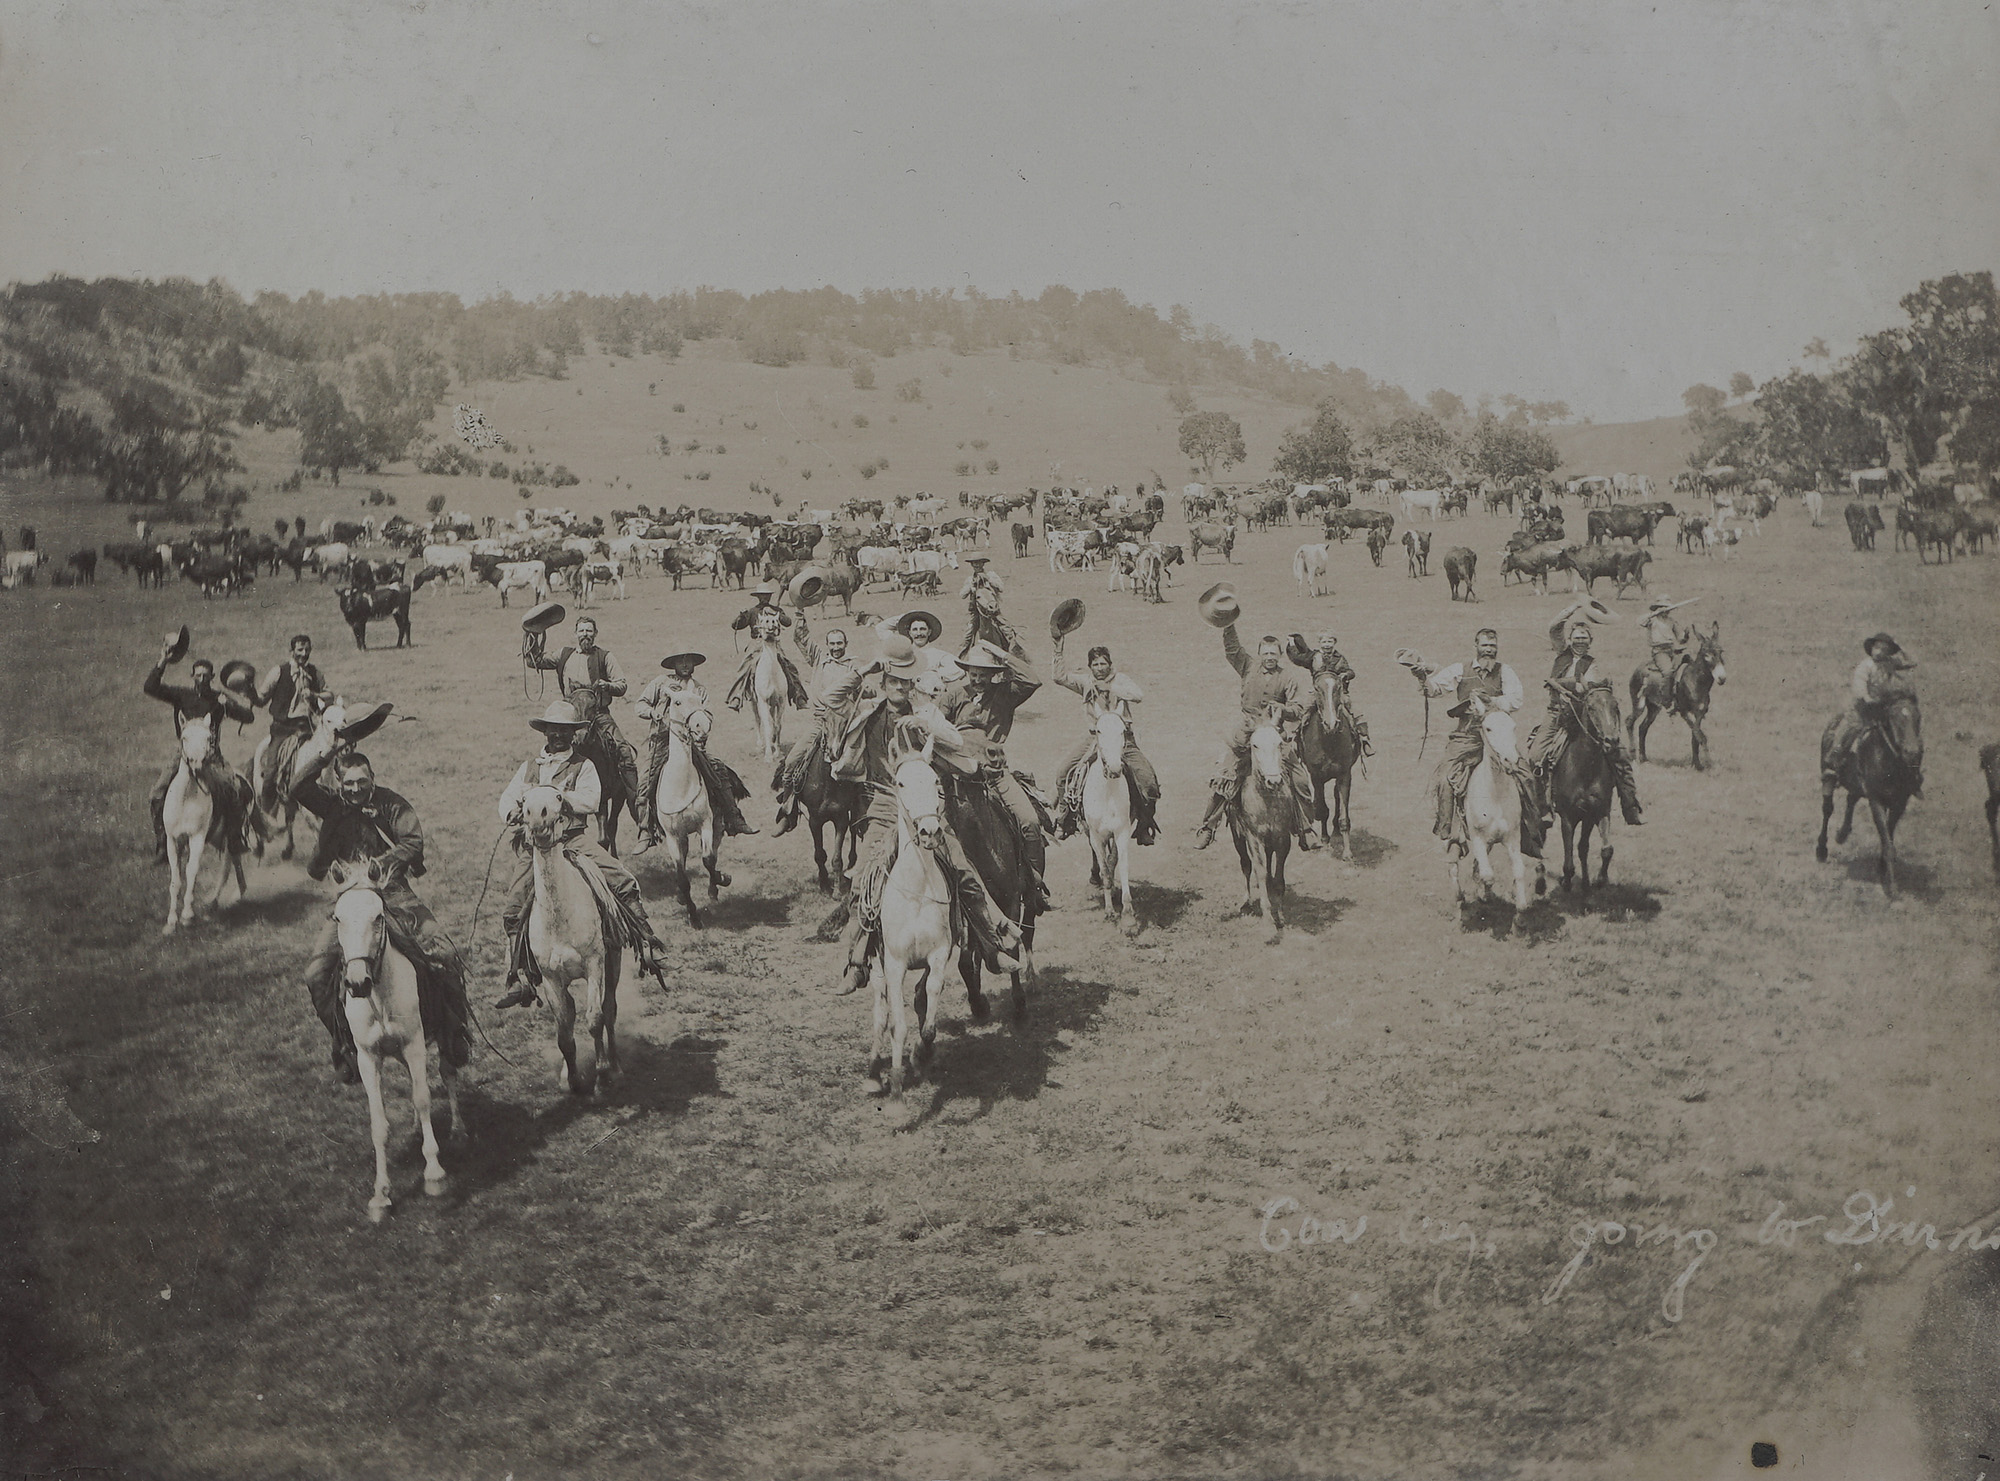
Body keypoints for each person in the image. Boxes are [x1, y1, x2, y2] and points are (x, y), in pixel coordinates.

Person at [830, 633, 1026, 997]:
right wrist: (862, 671)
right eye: (893, 680)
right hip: (886, 808)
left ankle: (991, 948)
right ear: (883, 679)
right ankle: (856, 962)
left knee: (964, 871)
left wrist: (926, 726)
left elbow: (953, 738)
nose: (900, 687)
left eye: (906, 681)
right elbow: (830, 700)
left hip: (925, 808)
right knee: (863, 880)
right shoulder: (867, 706)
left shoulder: (924, 709)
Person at [291, 742, 470, 1086]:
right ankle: (345, 1044)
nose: (356, 789)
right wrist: (327, 752)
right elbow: (298, 787)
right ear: (338, 784)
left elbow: (413, 841)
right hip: (351, 901)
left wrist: (382, 865)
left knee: (445, 953)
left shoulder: (391, 803)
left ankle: (453, 1035)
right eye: (348, 784)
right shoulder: (331, 805)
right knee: (316, 974)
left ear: (373, 778)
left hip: (395, 894)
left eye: (362, 782)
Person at [493, 702, 671, 1010]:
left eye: (565, 731)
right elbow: (508, 796)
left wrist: (556, 797)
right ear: (545, 731)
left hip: (573, 840)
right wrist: (512, 810)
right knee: (513, 905)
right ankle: (521, 975)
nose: (558, 736)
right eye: (553, 730)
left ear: (574, 735)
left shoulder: (583, 765)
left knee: (621, 878)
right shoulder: (529, 766)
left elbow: (592, 800)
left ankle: (647, 941)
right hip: (535, 844)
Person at [1193, 624, 1322, 851]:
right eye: (1266, 653)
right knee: (1224, 775)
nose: (1269, 657)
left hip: (1274, 735)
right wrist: (1229, 623)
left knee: (1300, 779)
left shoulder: (1287, 678)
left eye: (1274, 653)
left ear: (1280, 655)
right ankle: (1208, 826)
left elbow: (1298, 707)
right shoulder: (1247, 666)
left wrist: (1283, 709)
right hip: (1245, 733)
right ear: (1260, 653)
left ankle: (1305, 827)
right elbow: (1232, 649)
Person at [1412, 627, 1540, 856]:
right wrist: (1423, 678)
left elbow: (1516, 699)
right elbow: (1434, 689)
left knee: (1526, 775)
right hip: (1467, 735)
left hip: (1497, 735)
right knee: (1444, 778)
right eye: (1485, 646)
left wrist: (1492, 701)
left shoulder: (1505, 671)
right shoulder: (1460, 670)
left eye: (1493, 646)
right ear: (1476, 646)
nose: (1489, 651)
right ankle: (1451, 832)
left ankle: (1532, 830)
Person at [943, 643, 1051, 909]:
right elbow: (936, 723)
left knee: (1030, 821)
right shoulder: (953, 695)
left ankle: (1034, 883)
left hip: (995, 773)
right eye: (973, 674)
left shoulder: (1005, 693)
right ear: (967, 673)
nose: (978, 680)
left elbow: (1032, 680)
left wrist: (1001, 654)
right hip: (959, 775)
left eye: (983, 673)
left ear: (993, 674)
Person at [1526, 603, 1643, 826]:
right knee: (1535, 756)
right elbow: (1554, 627)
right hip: (1556, 715)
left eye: (1585, 638)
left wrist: (1573, 684)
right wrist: (1572, 609)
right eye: (1577, 637)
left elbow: (1588, 687)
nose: (1580, 641)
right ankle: (1542, 808)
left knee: (1620, 755)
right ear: (1570, 639)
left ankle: (1630, 805)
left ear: (1590, 641)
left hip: (1582, 717)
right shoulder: (1562, 651)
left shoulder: (1592, 664)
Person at [525, 615, 643, 830]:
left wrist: (607, 686)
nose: (585, 635)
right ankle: (542, 801)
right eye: (581, 631)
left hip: (598, 714)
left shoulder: (605, 656)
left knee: (624, 752)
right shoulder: (564, 654)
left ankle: (642, 816)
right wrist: (533, 633)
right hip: (569, 715)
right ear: (576, 633)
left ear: (595, 634)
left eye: (589, 631)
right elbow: (535, 661)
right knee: (552, 751)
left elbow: (622, 684)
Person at [145, 636, 254, 862]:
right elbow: (150, 687)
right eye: (198, 675)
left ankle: (235, 838)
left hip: (211, 756)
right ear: (192, 676)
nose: (202, 679)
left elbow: (248, 717)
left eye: (206, 676)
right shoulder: (181, 695)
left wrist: (231, 703)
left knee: (235, 791)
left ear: (212, 678)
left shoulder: (218, 699)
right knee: (157, 793)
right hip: (183, 755)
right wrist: (162, 661)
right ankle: (163, 845)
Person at [633, 651, 757, 847]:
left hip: (691, 744)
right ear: (673, 663)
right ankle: (645, 829)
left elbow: (707, 715)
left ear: (694, 664)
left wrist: (702, 729)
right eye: (680, 661)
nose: (684, 664)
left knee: (718, 770)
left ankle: (733, 817)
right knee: (644, 780)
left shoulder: (699, 690)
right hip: (662, 743)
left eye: (688, 661)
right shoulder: (660, 683)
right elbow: (640, 705)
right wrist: (652, 712)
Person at [1049, 630, 1160, 845]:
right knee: (1063, 772)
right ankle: (1066, 819)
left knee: (1148, 782)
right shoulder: (1085, 683)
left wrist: (1111, 687)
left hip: (1123, 740)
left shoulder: (1121, 679)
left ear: (1110, 664)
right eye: (1095, 665)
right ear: (1090, 666)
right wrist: (1058, 647)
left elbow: (1139, 695)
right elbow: (1059, 677)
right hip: (1094, 739)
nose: (1100, 669)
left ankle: (1144, 824)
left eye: (1103, 664)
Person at [773, 611, 861, 833]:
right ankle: (788, 811)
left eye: (839, 643)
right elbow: (800, 639)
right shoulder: (820, 658)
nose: (835, 647)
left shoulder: (854, 665)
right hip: (820, 722)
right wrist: (801, 616)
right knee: (793, 760)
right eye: (832, 643)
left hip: (845, 725)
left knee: (863, 765)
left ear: (846, 644)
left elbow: (862, 691)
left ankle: (864, 814)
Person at [1822, 633, 1919, 784]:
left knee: (1902, 728)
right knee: (1850, 728)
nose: (1879, 652)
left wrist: (1900, 647)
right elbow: (1859, 685)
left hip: (1883, 708)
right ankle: (1833, 763)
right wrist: (1867, 698)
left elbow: (1912, 662)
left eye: (1884, 649)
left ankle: (1910, 772)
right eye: (1877, 648)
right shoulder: (1865, 666)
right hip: (1864, 709)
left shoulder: (1890, 662)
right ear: (1871, 648)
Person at [254, 633, 328, 814]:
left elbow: (329, 694)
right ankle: (266, 814)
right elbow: (261, 698)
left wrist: (315, 695)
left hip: (307, 729)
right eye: (300, 650)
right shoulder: (279, 672)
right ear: (292, 651)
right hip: (282, 730)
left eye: (307, 650)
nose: (304, 654)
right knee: (271, 773)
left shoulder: (315, 673)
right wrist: (249, 692)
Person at [1287, 630, 1374, 757]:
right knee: (1304, 708)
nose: (1327, 645)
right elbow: (1298, 658)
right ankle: (1294, 737)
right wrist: (1291, 644)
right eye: (1324, 642)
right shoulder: (1314, 656)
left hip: (1337, 691)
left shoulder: (1340, 658)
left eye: (1330, 641)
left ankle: (1364, 739)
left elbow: (1350, 671)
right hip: (1319, 692)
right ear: (1320, 643)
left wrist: (1346, 674)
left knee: (1355, 710)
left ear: (1334, 643)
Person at [726, 595, 810, 722]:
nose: (764, 598)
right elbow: (736, 626)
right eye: (761, 596)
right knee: (746, 666)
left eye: (766, 596)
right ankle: (737, 696)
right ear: (758, 597)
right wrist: (741, 616)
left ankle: (798, 696)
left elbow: (788, 622)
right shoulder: (752, 611)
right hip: (756, 644)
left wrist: (777, 614)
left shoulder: (776, 609)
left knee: (788, 666)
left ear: (770, 596)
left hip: (774, 644)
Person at [1639, 596, 1695, 687]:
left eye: (1668, 608)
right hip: (1660, 651)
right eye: (1664, 607)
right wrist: (1656, 613)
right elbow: (1640, 621)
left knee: (1689, 667)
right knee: (1668, 672)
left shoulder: (1671, 621)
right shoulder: (1652, 620)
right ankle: (1665, 698)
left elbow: (1681, 639)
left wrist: (1686, 635)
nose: (1667, 611)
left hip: (1672, 650)